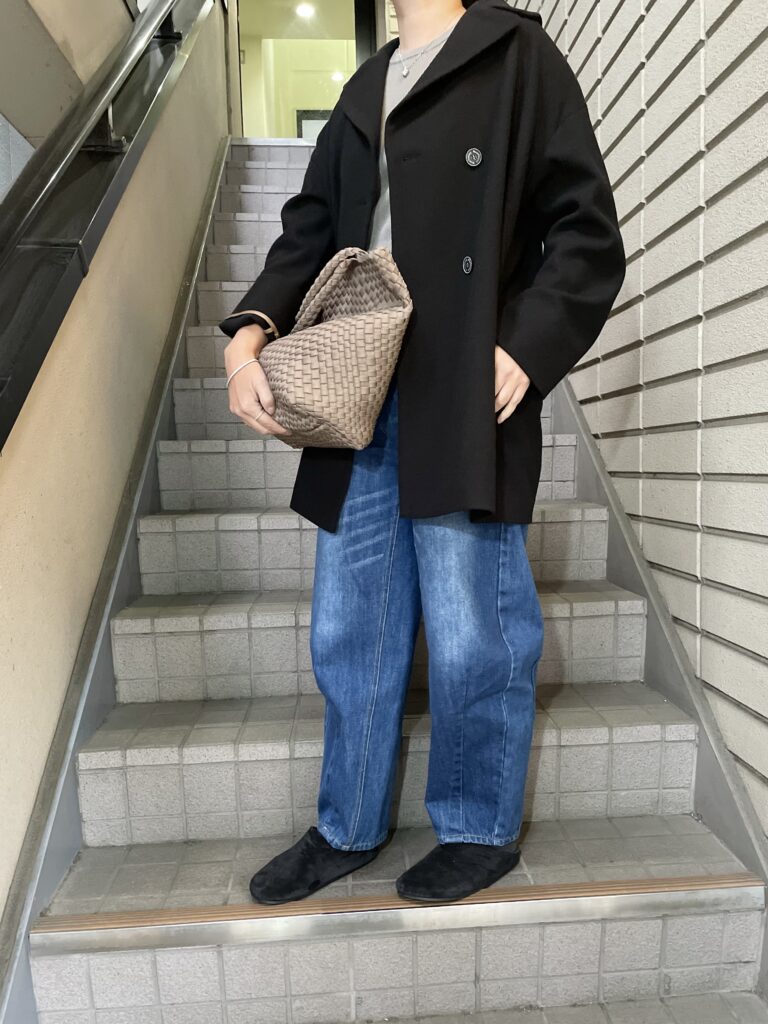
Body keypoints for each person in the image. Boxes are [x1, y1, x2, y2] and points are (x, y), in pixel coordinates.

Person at [220, 0, 626, 904]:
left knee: (473, 625)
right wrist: (250, 332)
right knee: (349, 627)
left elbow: (586, 230)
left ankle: (478, 826)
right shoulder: (364, 87)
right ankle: (348, 823)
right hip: (357, 384)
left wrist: (527, 345)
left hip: (463, 380)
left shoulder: (514, 53)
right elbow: (311, 229)